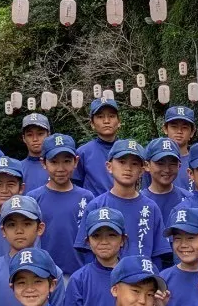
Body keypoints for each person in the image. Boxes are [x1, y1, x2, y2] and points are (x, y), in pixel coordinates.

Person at [75, 138, 171, 269]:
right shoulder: (96, 205)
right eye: (122, 162)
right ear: (109, 166)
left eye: (134, 164)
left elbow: (158, 253)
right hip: (106, 276)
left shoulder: (151, 207)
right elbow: (87, 252)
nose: (128, 168)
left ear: (142, 170)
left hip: (143, 277)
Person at [32, 134, 90, 281]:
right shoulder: (33, 199)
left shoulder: (87, 198)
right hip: (42, 273)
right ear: (43, 163)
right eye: (54, 162)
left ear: (76, 161)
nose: (61, 168)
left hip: (78, 274)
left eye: (67, 161)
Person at [66, 207, 129, 306]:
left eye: (111, 235)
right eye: (96, 236)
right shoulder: (79, 279)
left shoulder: (133, 275)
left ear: (122, 240)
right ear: (88, 241)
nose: (104, 242)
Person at [0, 195, 49, 306]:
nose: (19, 230)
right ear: (3, 231)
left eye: (27, 224)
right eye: (12, 225)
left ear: (40, 228)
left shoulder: (51, 270)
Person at [75, 99, 121, 197]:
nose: (106, 121)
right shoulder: (83, 152)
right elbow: (76, 186)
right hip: (93, 205)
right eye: (100, 117)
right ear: (92, 124)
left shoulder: (128, 151)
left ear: (119, 122)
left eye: (111, 116)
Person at [144, 137, 189, 220]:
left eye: (172, 164)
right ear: (147, 166)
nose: (167, 169)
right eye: (160, 163)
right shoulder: (139, 201)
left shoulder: (189, 199)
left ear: (179, 166)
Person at [160, 104, 197, 190]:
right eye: (174, 127)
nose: (179, 131)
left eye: (184, 127)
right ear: (165, 129)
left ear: (192, 132)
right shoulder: (155, 161)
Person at [18, 112, 51, 192]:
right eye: (30, 135)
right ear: (24, 138)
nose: (35, 139)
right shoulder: (17, 168)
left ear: (48, 135)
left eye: (40, 134)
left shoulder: (59, 168)